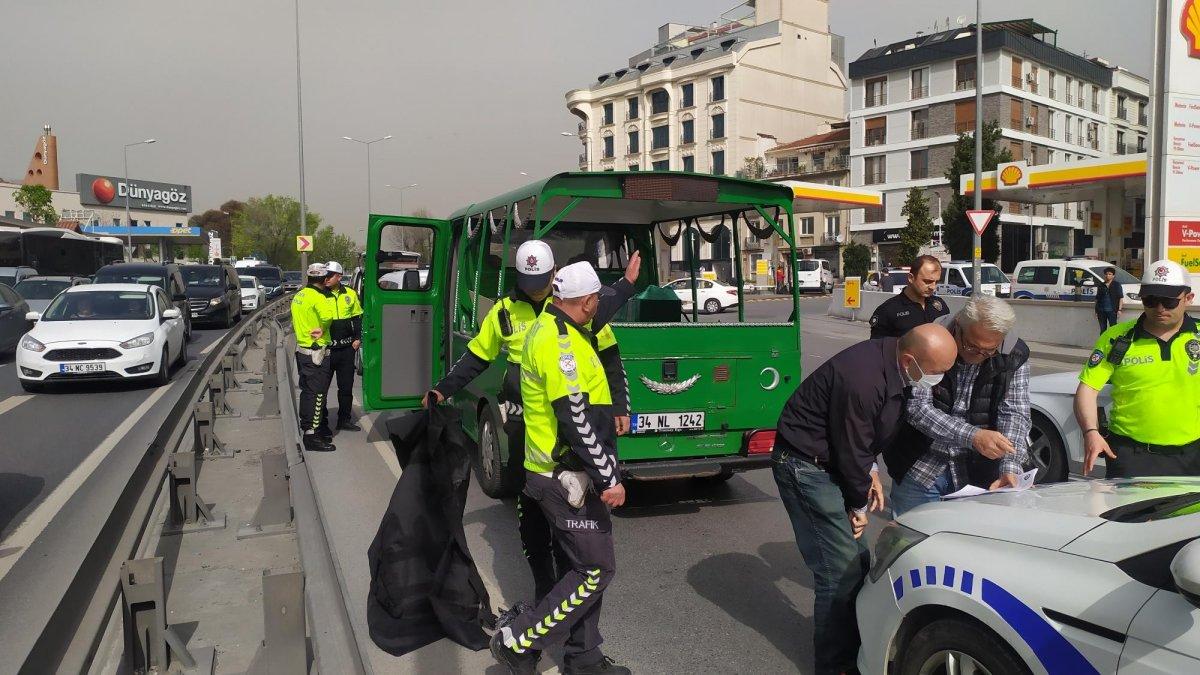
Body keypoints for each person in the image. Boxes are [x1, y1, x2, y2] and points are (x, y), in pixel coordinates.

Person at [425, 241, 639, 606]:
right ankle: (546, 592)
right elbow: (476, 356)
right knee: (533, 520)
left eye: (541, 280)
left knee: (570, 526)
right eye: (528, 281)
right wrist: (443, 390)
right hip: (529, 428)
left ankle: (563, 596)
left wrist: (619, 404)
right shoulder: (506, 312)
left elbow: (610, 355)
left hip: (570, 435)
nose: (535, 288)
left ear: (555, 274)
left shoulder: (575, 310)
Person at [773, 323, 957, 675]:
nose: (939, 380)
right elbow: (852, 447)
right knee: (838, 571)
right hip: (805, 465)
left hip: (832, 461)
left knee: (857, 562)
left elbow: (866, 436)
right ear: (909, 361)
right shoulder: (863, 378)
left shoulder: (893, 365)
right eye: (936, 373)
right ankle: (834, 666)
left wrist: (871, 471)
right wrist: (857, 505)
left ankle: (853, 649)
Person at [491, 261, 631, 675]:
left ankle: (585, 658)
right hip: (565, 477)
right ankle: (519, 640)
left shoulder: (555, 326)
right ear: (586, 301)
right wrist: (609, 476)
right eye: (596, 300)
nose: (597, 307)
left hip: (551, 470)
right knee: (595, 569)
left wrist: (627, 285)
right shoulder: (559, 344)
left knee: (578, 567)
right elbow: (575, 419)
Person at [885, 296, 1031, 516]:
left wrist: (1010, 465)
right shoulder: (929, 340)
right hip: (922, 466)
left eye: (989, 351)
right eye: (972, 346)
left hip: (979, 472)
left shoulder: (1015, 354)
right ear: (959, 327)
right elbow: (917, 408)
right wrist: (973, 436)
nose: (979, 356)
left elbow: (1015, 413)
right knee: (912, 542)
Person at [1076, 259, 1200, 477]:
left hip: (1192, 456)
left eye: (1169, 302)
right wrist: (1091, 432)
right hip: (1131, 456)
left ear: (1188, 298)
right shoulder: (1116, 338)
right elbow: (1087, 389)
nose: (1160, 308)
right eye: (1151, 300)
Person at [290, 263, 337, 452]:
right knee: (318, 395)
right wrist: (323, 329)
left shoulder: (299, 295)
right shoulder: (320, 298)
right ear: (325, 280)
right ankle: (312, 435)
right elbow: (327, 318)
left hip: (303, 350)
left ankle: (308, 429)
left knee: (307, 392)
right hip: (317, 352)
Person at [319, 261, 364, 434]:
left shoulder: (350, 294)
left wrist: (358, 338)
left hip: (346, 349)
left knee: (346, 388)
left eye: (330, 275)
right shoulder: (320, 294)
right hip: (327, 350)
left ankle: (344, 420)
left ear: (339, 277)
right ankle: (321, 423)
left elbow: (357, 317)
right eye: (325, 275)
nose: (327, 278)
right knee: (321, 389)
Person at [869, 255, 948, 338]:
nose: (933, 287)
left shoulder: (940, 305)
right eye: (927, 281)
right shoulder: (887, 311)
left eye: (936, 282)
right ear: (911, 278)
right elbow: (877, 348)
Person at [1095, 266, 1124, 332]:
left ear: (1113, 276)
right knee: (1103, 329)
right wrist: (1096, 310)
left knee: (1113, 329)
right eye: (1106, 274)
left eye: (1110, 274)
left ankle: (1112, 342)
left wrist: (1119, 310)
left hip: (1112, 311)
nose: (1107, 275)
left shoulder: (1117, 285)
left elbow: (1120, 298)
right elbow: (1097, 299)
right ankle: (1103, 342)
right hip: (1101, 311)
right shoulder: (1101, 285)